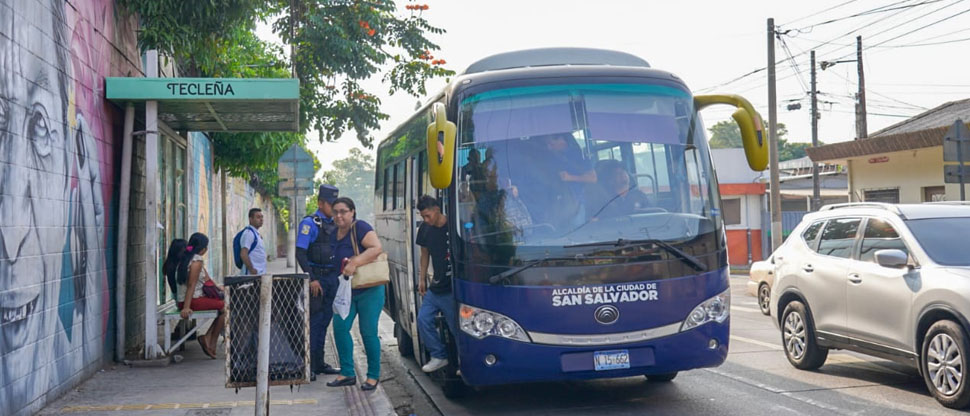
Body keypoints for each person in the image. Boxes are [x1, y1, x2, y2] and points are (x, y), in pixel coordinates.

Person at [327, 197, 385, 391]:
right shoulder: (333, 232)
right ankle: (347, 373)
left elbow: (376, 248)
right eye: (335, 212)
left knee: (368, 332)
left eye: (343, 211)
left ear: (352, 212)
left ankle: (373, 376)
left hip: (369, 289)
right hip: (346, 291)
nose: (339, 215)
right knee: (340, 328)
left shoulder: (359, 227)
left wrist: (354, 263)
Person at [296, 184, 341, 380]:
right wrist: (312, 279)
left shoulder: (337, 223)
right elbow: (300, 253)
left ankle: (320, 363)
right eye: (331, 204)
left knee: (325, 322)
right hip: (317, 279)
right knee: (314, 322)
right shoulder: (310, 223)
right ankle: (310, 366)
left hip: (332, 278)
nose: (334, 208)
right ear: (320, 203)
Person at [165, 233, 225, 359]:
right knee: (226, 307)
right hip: (192, 300)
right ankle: (210, 341)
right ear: (202, 248)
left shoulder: (186, 258)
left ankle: (208, 338)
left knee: (223, 307)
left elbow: (207, 279)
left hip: (188, 299)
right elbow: (191, 285)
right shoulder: (196, 260)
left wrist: (220, 288)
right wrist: (186, 308)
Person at [415, 196, 458, 373]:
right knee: (423, 319)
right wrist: (422, 278)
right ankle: (439, 355)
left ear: (437, 210)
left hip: (452, 287)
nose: (426, 220)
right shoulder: (425, 229)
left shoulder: (453, 225)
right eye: (423, 217)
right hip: (436, 285)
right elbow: (424, 255)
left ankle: (465, 361)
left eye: (427, 216)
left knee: (457, 327)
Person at [239, 208, 267, 275]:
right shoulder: (249, 233)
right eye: (258, 217)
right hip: (251, 275)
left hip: (259, 273)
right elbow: (243, 254)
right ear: (251, 219)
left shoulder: (256, 234)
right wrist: (251, 269)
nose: (261, 219)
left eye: (262, 217)